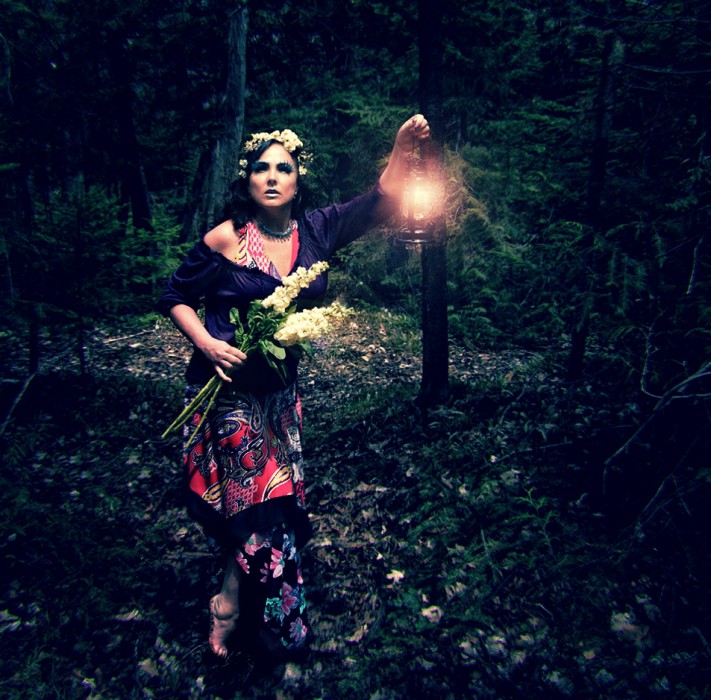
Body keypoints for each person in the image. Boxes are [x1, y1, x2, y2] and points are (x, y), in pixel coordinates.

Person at [157, 114, 430, 660]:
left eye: (284, 168)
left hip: (281, 397)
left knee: (264, 505)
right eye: (262, 168)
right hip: (228, 394)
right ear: (248, 180)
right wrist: (207, 344)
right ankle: (282, 627)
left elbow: (381, 199)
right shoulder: (228, 237)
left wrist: (402, 148)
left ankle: (229, 598)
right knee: (259, 512)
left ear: (298, 180)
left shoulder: (318, 231)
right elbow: (175, 296)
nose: (273, 176)